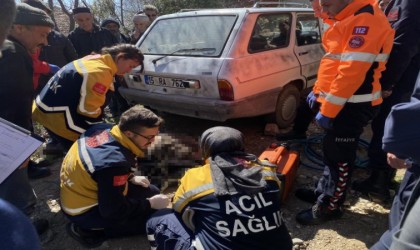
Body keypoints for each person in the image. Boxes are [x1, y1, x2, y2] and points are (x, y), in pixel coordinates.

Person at [290, 0, 394, 225]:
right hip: (344, 102)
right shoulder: (349, 17)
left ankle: (331, 206)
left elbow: (351, 73)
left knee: (340, 156)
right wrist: (317, 91)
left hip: (354, 104)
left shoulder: (365, 20)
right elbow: (333, 64)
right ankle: (323, 192)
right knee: (332, 151)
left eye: (325, 5)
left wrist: (328, 109)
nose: (322, 11)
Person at [146, 126, 293, 250]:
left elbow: (178, 209)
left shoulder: (195, 176)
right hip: (282, 246)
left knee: (158, 219)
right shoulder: (266, 168)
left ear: (206, 149)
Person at [60, 105, 170, 248]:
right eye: (149, 137)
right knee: (156, 218)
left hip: (80, 193)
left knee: (152, 191)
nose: (153, 142)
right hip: (84, 211)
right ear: (129, 134)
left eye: (155, 136)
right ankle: (87, 231)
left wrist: (130, 177)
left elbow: (99, 171)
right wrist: (149, 204)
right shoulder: (113, 164)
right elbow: (113, 210)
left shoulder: (103, 129)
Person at [352, 0, 420, 202]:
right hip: (403, 79)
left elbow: (402, 46)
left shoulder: (410, 3)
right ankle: (384, 178)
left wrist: (385, 85)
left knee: (384, 128)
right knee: (387, 127)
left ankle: (377, 183)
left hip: (401, 82)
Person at [0, 2, 54, 235]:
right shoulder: (13, 53)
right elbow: (14, 106)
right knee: (13, 184)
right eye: (42, 34)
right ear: (18, 27)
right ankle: (21, 226)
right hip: (7, 138)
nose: (45, 42)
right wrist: (18, 150)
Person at [32, 44, 144, 151]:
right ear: (120, 57)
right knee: (89, 147)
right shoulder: (100, 71)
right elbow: (88, 110)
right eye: (130, 66)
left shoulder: (95, 58)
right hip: (57, 115)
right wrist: (101, 130)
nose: (129, 71)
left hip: (43, 107)